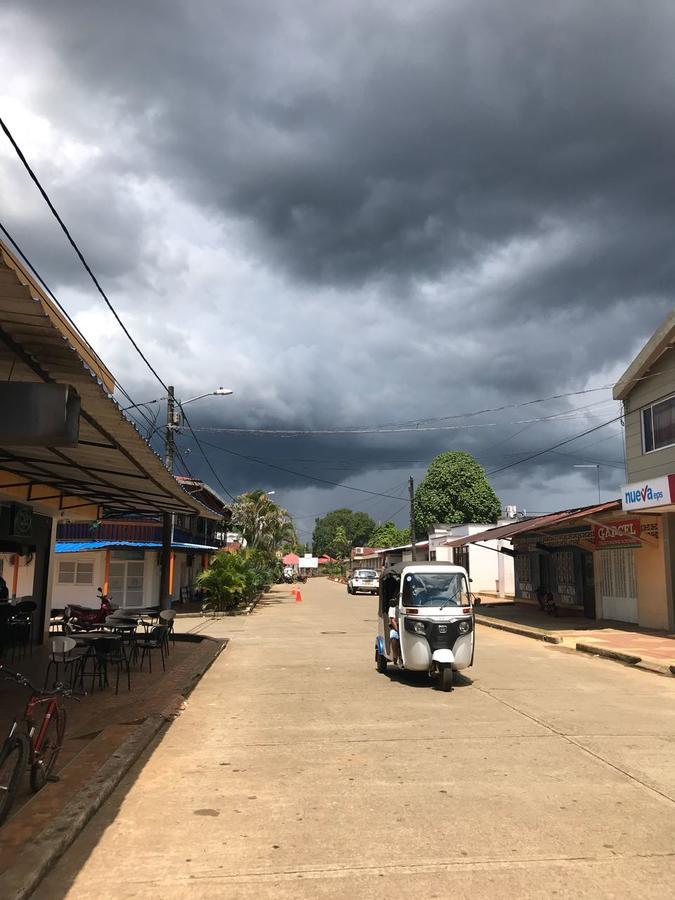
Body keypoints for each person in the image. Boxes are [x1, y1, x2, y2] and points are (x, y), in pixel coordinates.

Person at [388, 600, 400, 665]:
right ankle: (395, 657)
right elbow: (393, 620)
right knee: (394, 637)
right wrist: (397, 630)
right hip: (395, 628)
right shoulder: (393, 608)